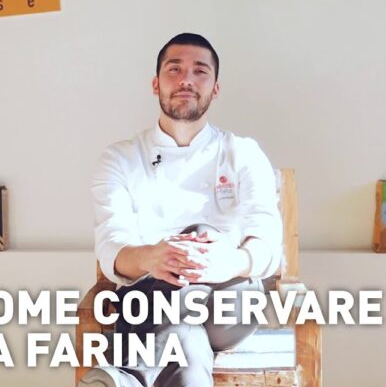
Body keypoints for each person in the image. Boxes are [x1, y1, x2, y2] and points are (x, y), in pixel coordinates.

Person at [81, 33, 282, 387]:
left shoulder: (243, 153)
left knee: (199, 237)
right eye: (174, 69)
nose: (186, 79)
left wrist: (227, 262)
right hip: (150, 298)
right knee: (185, 342)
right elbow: (112, 248)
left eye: (200, 71)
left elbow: (267, 242)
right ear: (156, 84)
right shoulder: (120, 159)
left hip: (229, 300)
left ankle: (128, 377)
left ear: (215, 89)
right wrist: (152, 258)